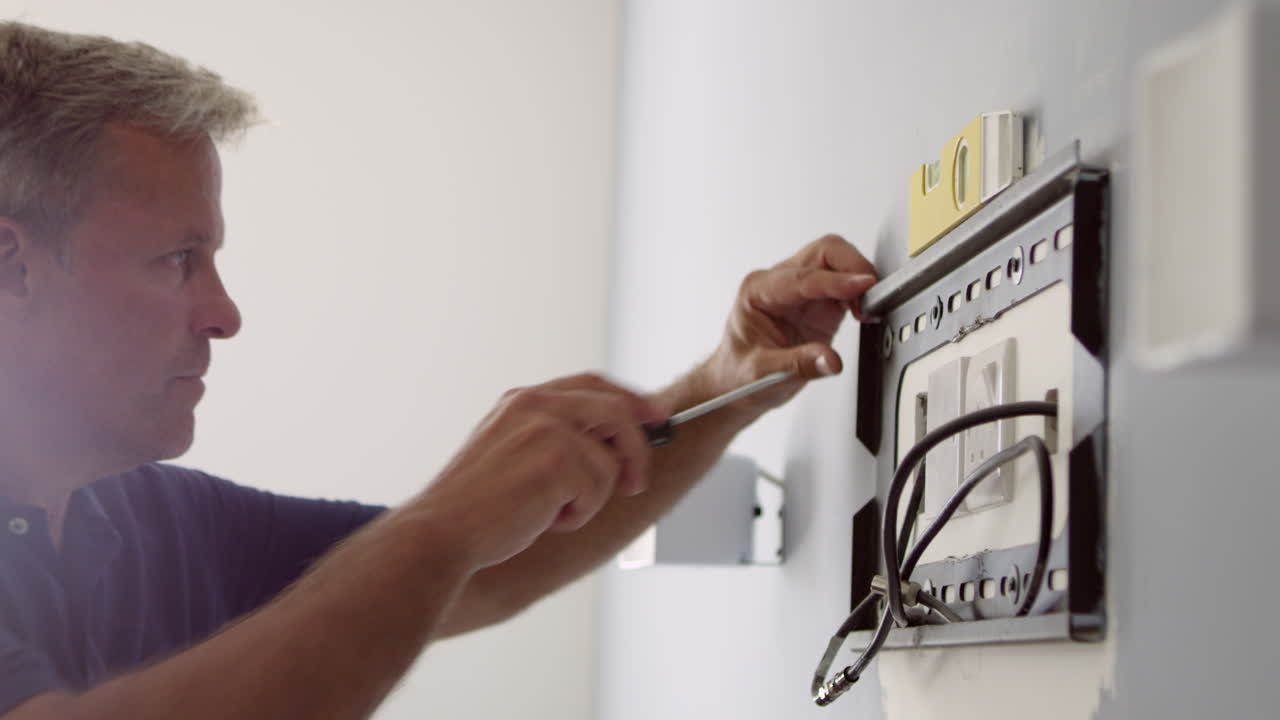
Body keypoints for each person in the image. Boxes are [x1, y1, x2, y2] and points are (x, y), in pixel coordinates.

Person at [0, 21, 878, 720]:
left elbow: (481, 572)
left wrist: (724, 384)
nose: (224, 314)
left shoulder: (158, 520)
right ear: (14, 267)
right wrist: (444, 524)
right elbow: (443, 555)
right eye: (177, 260)